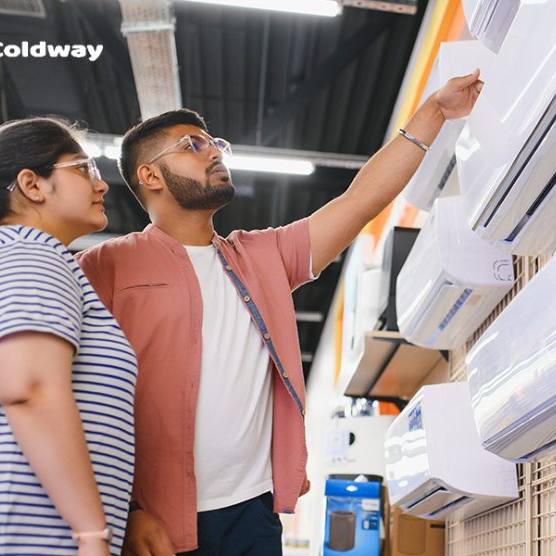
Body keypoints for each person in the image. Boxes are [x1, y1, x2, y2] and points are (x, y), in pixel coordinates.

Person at [76, 69, 484, 555]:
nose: (213, 152)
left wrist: (435, 109)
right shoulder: (104, 266)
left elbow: (358, 202)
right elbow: (73, 395)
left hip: (253, 513)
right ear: (149, 176)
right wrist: (122, 510)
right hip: (152, 520)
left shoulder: (260, 257)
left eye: (214, 144)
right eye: (192, 145)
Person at [0, 118, 137, 555]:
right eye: (84, 168)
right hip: (9, 534)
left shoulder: (21, 254)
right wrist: (92, 534)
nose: (102, 184)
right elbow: (31, 391)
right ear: (32, 185)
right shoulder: (24, 250)